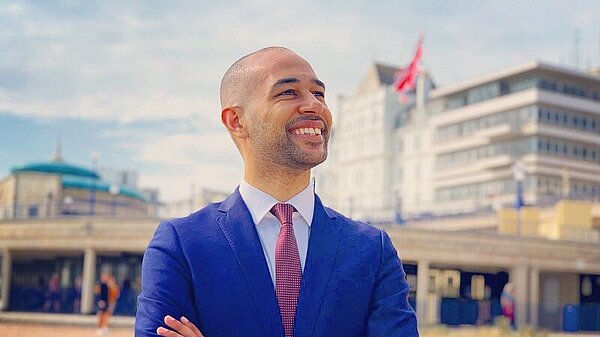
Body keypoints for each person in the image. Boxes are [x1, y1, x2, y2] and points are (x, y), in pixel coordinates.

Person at [135, 47, 418, 337]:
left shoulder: (373, 250)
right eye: (289, 93)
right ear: (236, 121)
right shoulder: (180, 245)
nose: (315, 106)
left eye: (319, 94)